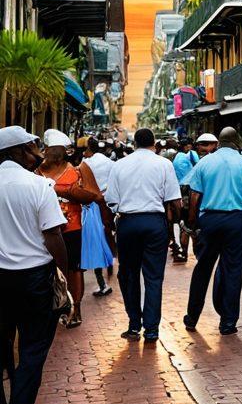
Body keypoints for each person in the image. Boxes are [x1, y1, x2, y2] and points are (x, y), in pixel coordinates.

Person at [0, 126, 68, 404]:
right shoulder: (39, 185)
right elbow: (53, 235)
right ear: (17, 151)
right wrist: (63, 271)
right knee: (33, 350)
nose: (37, 152)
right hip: (34, 278)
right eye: (31, 146)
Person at [105, 127, 182, 342]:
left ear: (135, 143)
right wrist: (175, 225)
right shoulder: (164, 164)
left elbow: (111, 200)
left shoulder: (119, 165)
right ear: (154, 143)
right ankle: (151, 329)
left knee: (128, 275)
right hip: (154, 222)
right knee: (154, 277)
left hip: (128, 222)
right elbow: (174, 200)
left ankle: (133, 324)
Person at [184, 127, 242, 335]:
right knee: (233, 271)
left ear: (219, 142)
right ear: (236, 142)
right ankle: (228, 322)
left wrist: (193, 223)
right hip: (236, 220)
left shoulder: (205, 162)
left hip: (210, 219)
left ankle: (192, 317)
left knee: (203, 268)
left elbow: (195, 196)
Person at [37, 129, 103, 328]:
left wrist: (65, 191)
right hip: (43, 230)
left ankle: (75, 309)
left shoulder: (78, 169)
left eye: (53, 150)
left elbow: (96, 195)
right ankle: (52, 309)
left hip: (71, 228)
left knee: (74, 270)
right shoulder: (36, 171)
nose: (47, 153)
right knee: (45, 269)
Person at [80, 135, 116, 297]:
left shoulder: (85, 164)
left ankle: (102, 282)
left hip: (92, 205)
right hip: (107, 203)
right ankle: (110, 261)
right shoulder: (110, 162)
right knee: (106, 233)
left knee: (94, 240)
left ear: (88, 149)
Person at [172, 135, 204, 262]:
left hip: (180, 191)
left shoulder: (176, 157)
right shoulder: (190, 155)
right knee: (193, 222)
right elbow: (198, 169)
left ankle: (183, 253)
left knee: (183, 223)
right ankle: (197, 253)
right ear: (187, 146)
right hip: (192, 190)